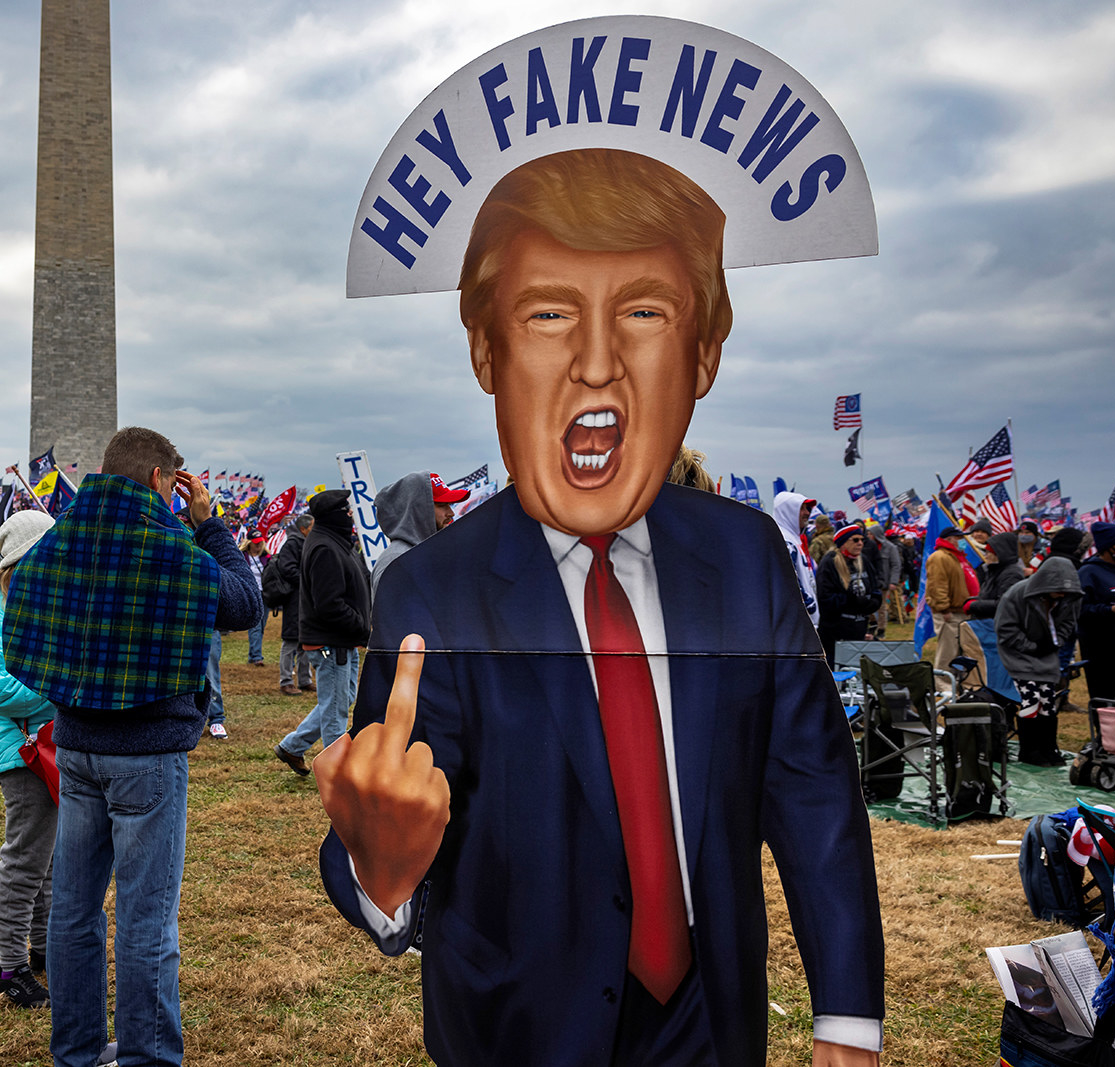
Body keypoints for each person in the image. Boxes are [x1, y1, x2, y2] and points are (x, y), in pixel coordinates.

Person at [314, 149, 882, 1066]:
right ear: (487, 351)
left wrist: (847, 1017)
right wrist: (383, 873)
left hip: (711, 1022)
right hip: (521, 1032)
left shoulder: (748, 558)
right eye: (548, 314)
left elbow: (813, 793)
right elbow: (388, 820)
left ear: (703, 354)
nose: (595, 364)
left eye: (644, 312)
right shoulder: (436, 592)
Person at [0, 426, 260, 1067]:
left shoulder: (59, 539)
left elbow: (19, 611)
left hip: (77, 745)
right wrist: (209, 524)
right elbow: (244, 604)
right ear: (157, 480)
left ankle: (78, 1053)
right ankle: (146, 1057)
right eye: (174, 484)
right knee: (146, 922)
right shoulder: (169, 543)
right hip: (147, 752)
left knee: (75, 910)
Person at [0, 510, 60, 1009]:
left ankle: (43, 951)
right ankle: (12, 967)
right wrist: (66, 688)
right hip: (24, 751)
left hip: (50, 745)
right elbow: (1, 691)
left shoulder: (36, 606)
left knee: (48, 861)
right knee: (25, 861)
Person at [275, 489, 371, 776]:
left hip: (341, 640)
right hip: (332, 642)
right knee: (336, 711)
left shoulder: (334, 542)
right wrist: (362, 626)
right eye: (346, 512)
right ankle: (336, 774)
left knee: (341, 699)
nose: (351, 516)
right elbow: (330, 605)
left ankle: (293, 746)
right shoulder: (325, 548)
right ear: (334, 516)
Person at [995, 557, 1082, 765]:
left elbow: (1069, 623)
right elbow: (1005, 629)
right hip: (1019, 655)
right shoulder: (1017, 594)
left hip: (1047, 655)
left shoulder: (1069, 599)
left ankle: (1048, 748)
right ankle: (1029, 750)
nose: (1062, 594)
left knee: (1048, 703)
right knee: (1030, 700)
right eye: (1058, 589)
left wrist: (1056, 642)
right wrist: (1032, 646)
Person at [371, 471, 467, 602]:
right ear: (419, 510)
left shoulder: (424, 552)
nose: (451, 513)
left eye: (449, 505)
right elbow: (395, 620)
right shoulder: (396, 561)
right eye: (442, 505)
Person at [816, 525, 883, 661]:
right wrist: (850, 601)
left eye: (862, 540)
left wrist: (872, 603)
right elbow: (825, 598)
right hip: (836, 632)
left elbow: (875, 588)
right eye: (855, 540)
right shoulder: (830, 562)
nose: (860, 543)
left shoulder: (863, 560)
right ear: (844, 542)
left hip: (859, 628)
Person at [265, 515, 314, 696]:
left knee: (305, 641)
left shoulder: (306, 543)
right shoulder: (293, 544)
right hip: (295, 599)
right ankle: (286, 681)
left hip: (305, 599)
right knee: (291, 641)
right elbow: (288, 569)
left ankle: (304, 679)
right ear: (303, 529)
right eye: (312, 527)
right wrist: (308, 581)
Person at [1079, 523, 1115, 707]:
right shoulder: (1088, 573)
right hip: (1101, 648)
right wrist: (1107, 610)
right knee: (1107, 698)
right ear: (1110, 547)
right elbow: (1078, 609)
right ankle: (1106, 734)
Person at [926, 526, 977, 670]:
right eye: (959, 538)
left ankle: (958, 683)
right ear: (949, 539)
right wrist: (944, 609)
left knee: (961, 651)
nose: (963, 541)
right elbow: (937, 585)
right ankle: (944, 686)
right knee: (948, 651)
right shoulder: (940, 557)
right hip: (950, 613)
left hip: (963, 611)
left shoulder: (958, 557)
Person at [770, 491, 819, 628]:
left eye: (807, 508)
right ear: (788, 511)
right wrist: (808, 605)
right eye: (801, 508)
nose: (807, 513)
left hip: (803, 623)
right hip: (795, 625)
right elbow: (788, 578)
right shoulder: (784, 539)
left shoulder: (795, 538)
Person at [242, 534, 270, 666]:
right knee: (255, 626)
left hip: (265, 594)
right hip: (252, 594)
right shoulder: (243, 557)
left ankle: (253, 655)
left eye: (260, 542)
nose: (258, 545)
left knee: (261, 626)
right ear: (249, 543)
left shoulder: (267, 557)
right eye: (255, 543)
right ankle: (256, 656)